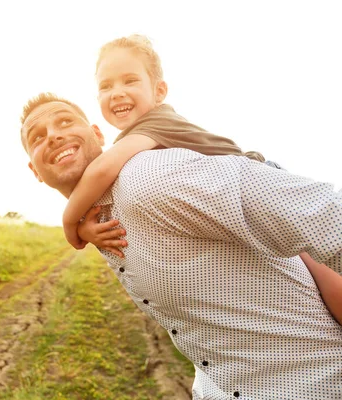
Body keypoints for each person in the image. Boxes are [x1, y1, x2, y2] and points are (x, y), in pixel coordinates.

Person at [19, 93, 342, 399]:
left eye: (64, 122)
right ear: (34, 170)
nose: (53, 136)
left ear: (97, 133)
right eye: (37, 136)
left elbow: (327, 214)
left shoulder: (148, 178)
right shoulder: (99, 220)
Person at [60, 34, 342, 325]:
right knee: (314, 275)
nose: (117, 92)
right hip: (239, 201)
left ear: (159, 91)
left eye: (130, 80)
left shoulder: (154, 124)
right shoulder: (136, 137)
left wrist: (71, 223)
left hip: (258, 184)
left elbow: (101, 171)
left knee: (325, 278)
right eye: (106, 86)